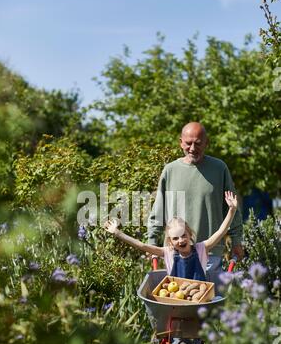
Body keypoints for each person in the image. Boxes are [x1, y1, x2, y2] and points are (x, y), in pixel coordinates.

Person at [147, 122, 244, 288]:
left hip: (209, 252)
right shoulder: (170, 171)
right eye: (188, 143)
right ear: (180, 142)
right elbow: (159, 210)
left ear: (207, 143)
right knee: (178, 303)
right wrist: (152, 241)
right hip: (176, 253)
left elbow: (231, 207)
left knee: (207, 307)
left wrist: (236, 240)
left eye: (198, 143)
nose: (192, 148)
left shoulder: (219, 169)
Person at [104, 191, 238, 281]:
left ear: (189, 234)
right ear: (170, 242)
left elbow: (221, 231)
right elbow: (142, 245)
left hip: (199, 295)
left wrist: (232, 210)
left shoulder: (201, 248)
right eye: (175, 238)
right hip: (174, 295)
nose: (180, 240)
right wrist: (117, 233)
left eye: (183, 235)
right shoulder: (167, 252)